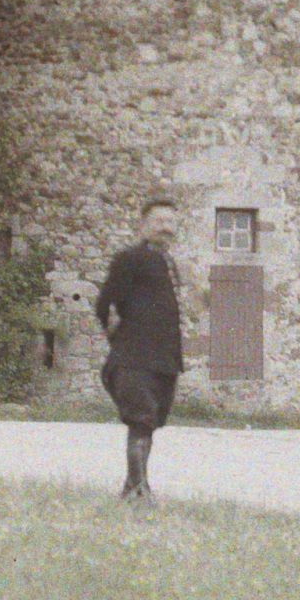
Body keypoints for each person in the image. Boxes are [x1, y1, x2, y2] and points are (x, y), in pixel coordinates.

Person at [94, 202, 185, 502]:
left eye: (171, 221)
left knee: (149, 424)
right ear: (143, 225)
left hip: (164, 359)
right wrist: (119, 341)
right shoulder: (130, 259)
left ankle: (133, 487)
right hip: (135, 358)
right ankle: (137, 489)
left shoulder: (169, 263)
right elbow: (105, 303)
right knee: (140, 420)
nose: (166, 226)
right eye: (159, 220)